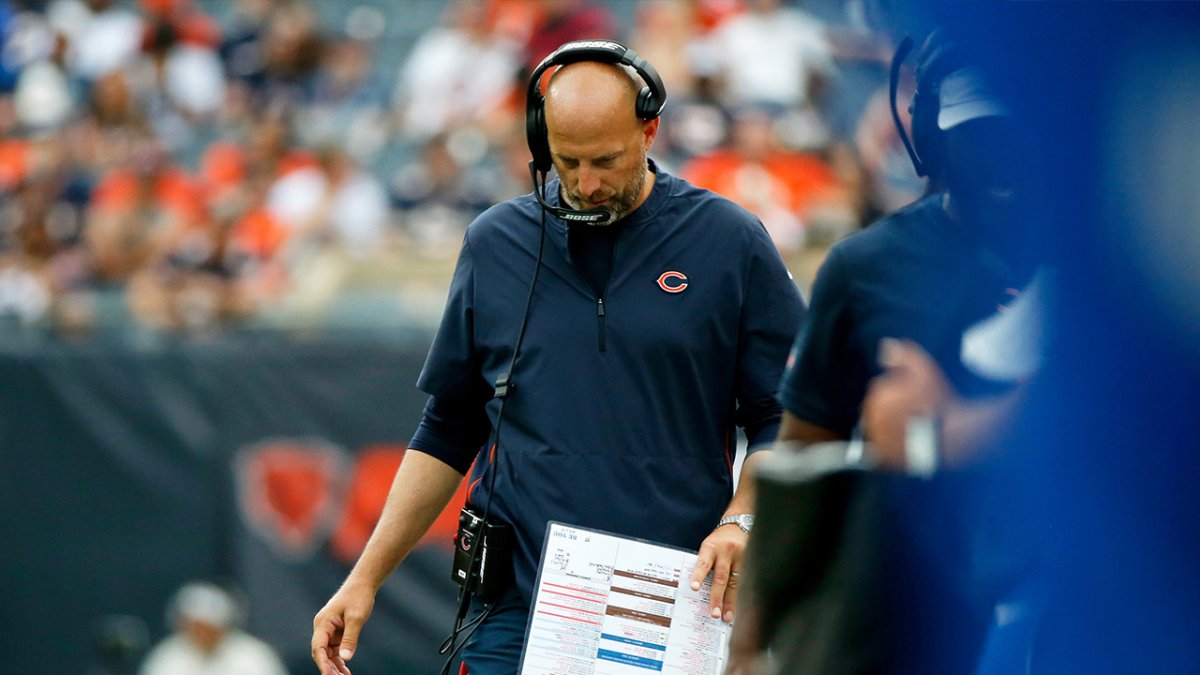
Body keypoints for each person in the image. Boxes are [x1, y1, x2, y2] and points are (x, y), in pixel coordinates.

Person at [311, 40, 806, 675]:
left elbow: (785, 416)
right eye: (567, 162)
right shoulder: (496, 244)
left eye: (606, 160)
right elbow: (448, 425)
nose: (587, 184)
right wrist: (365, 578)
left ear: (650, 129)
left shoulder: (729, 241)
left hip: (668, 598)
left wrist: (741, 521)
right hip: (519, 603)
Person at [727, 28, 1035, 675]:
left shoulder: (1117, 273)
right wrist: (751, 642)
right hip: (911, 623)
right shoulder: (868, 266)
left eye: (1017, 137)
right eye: (977, 140)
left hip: (1081, 602)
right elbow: (805, 463)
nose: (1001, 163)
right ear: (931, 141)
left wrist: (939, 433)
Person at [140, 581, 287, 675]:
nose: (202, 633)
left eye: (208, 627)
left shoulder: (254, 656)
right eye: (195, 626)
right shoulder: (167, 657)